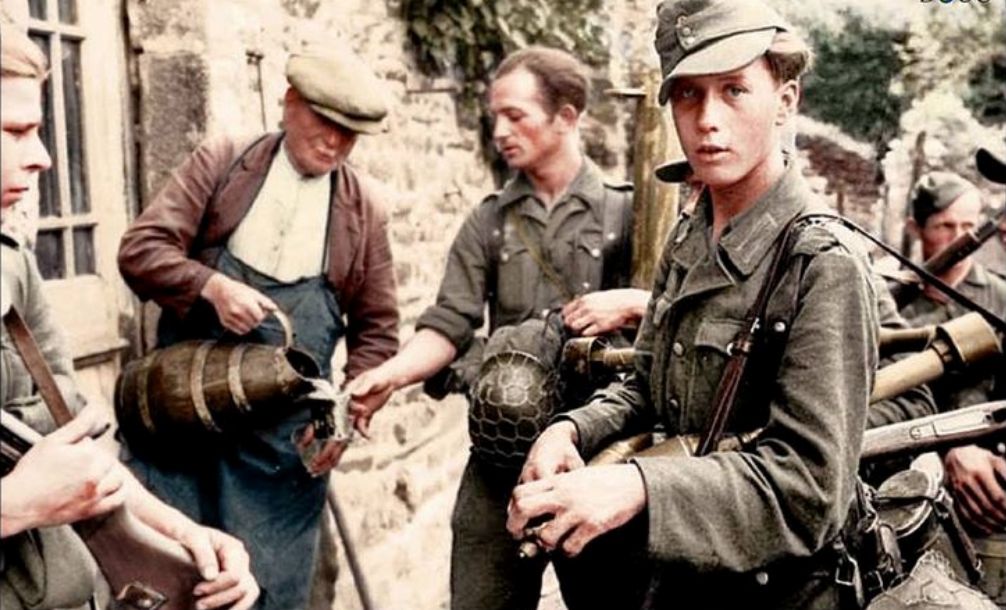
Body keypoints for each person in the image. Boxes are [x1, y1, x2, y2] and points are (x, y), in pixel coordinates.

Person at [507, 1, 881, 607]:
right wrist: (569, 429)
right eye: (687, 94)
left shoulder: (822, 263)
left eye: (734, 90)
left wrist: (639, 488)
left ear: (785, 101)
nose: (707, 119)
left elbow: (811, 493)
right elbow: (646, 383)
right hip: (672, 585)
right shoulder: (690, 233)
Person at [349, 46, 650, 609]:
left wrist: (635, 304)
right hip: (503, 454)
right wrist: (390, 375)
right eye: (495, 118)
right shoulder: (489, 222)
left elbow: (674, 321)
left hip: (600, 455)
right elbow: (449, 324)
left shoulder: (627, 214)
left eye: (516, 115)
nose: (500, 132)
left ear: (566, 117)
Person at [116, 50, 399, 609]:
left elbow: (378, 332)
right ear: (289, 103)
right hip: (184, 423)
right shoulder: (224, 164)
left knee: (271, 590)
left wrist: (347, 411)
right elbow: (140, 251)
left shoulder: (362, 210)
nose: (334, 144)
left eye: (349, 135)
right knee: (175, 578)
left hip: (280, 451)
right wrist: (210, 286)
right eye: (324, 122)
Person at [0, 20, 258, 610]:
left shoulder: (11, 267)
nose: (42, 158)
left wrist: (186, 537)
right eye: (15, 132)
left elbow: (74, 444)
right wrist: (14, 505)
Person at [899, 164, 1006, 607]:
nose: (960, 239)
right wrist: (946, 448)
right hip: (906, 481)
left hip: (984, 490)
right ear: (916, 228)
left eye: (968, 226)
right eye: (945, 227)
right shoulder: (891, 298)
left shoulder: (1000, 297)